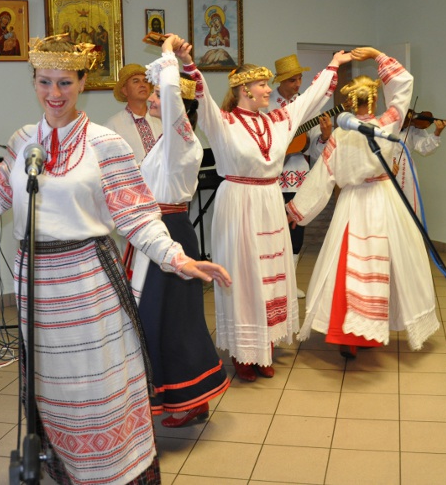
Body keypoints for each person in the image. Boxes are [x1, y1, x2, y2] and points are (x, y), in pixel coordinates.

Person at [0, 35, 231, 485]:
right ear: (33, 82)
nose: (55, 94)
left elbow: (137, 215)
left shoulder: (105, 142)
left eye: (65, 82)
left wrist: (179, 259)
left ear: (83, 82)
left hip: (89, 279)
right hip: (36, 283)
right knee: (53, 387)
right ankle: (68, 468)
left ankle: (117, 471)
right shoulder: (21, 142)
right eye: (45, 82)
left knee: (100, 384)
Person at [185, 45, 351, 381]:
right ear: (244, 88)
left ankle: (266, 348)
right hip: (238, 200)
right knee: (243, 274)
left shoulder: (279, 121)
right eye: (262, 85)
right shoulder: (223, 122)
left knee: (272, 270)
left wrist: (334, 64)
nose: (268, 90)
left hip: (270, 200)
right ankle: (245, 352)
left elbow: (311, 100)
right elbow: (200, 95)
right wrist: (188, 62)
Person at [285, 48, 440, 358]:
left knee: (349, 260)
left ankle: (349, 335)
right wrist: (378, 55)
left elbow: (322, 178)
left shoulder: (340, 137)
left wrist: (297, 210)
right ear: (373, 100)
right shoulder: (387, 125)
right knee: (385, 259)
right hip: (384, 200)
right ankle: (369, 329)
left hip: (353, 204)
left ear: (349, 104)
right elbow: (403, 85)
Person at [130, 34, 230, 428]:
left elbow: (172, 95)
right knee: (160, 316)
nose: (152, 95)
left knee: (169, 319)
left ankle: (191, 398)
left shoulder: (180, 139)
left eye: (157, 92)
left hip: (169, 230)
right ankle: (177, 397)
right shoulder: (169, 141)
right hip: (158, 229)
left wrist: (169, 56)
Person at [268, 53, 328, 288]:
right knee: (273, 228)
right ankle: (273, 284)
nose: (297, 85)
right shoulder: (265, 104)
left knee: (296, 228)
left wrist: (324, 135)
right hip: (272, 178)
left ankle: (290, 285)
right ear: (281, 81)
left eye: (300, 79)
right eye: (293, 80)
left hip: (298, 176)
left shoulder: (305, 106)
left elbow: (312, 147)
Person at [104, 63, 163, 164]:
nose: (142, 85)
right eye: (135, 81)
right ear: (125, 90)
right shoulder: (112, 126)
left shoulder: (162, 119)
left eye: (145, 81)